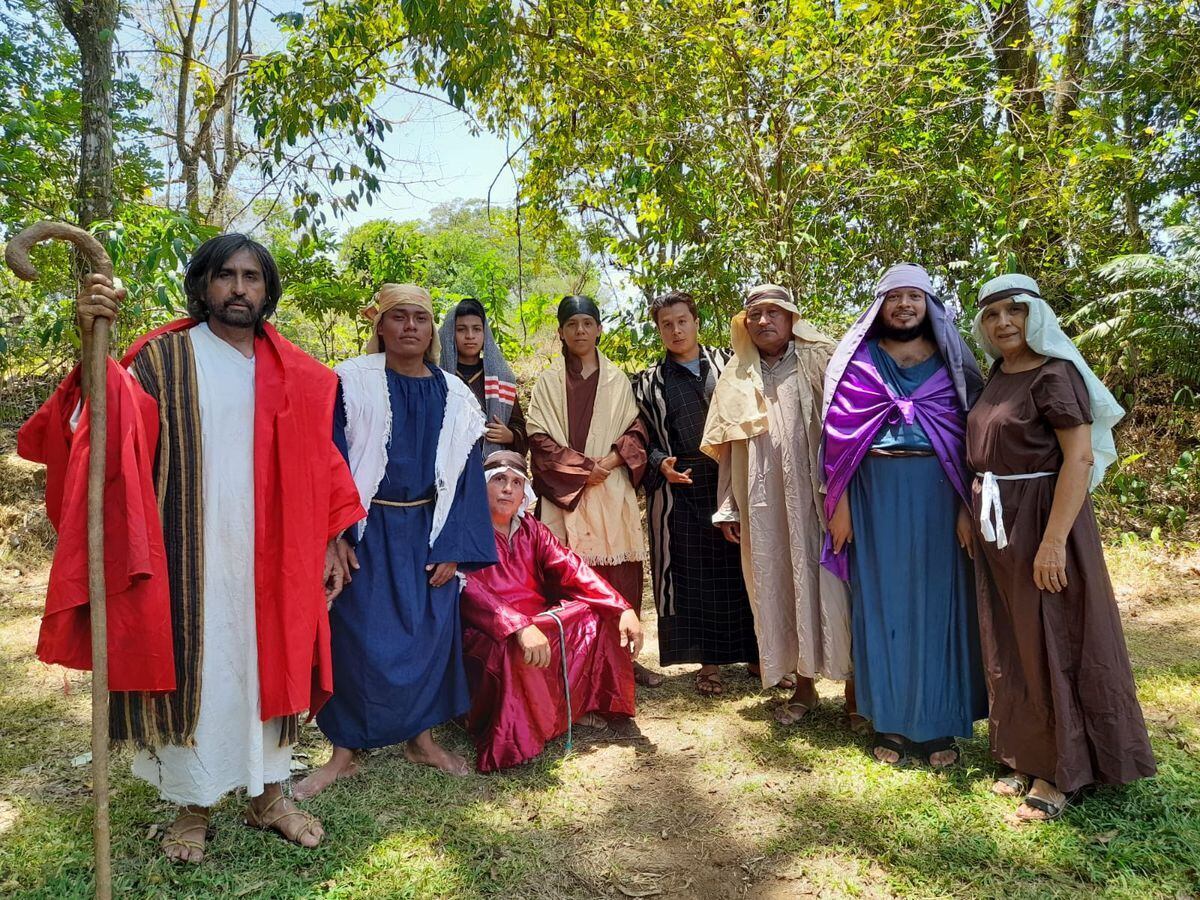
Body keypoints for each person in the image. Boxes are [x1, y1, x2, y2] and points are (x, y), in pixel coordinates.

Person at [18, 234, 365, 863]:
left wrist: (332, 537)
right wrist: (92, 340)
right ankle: (193, 805)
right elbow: (107, 422)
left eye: (252, 277)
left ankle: (269, 795)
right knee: (198, 669)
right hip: (187, 547)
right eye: (226, 275)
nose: (239, 288)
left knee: (267, 666)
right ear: (204, 285)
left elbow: (322, 462)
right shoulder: (162, 357)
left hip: (275, 554)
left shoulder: (298, 374)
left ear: (267, 290)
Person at [295, 283, 497, 796]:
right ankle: (344, 753)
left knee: (429, 634)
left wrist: (454, 547)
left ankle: (420, 740)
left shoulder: (455, 394)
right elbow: (328, 457)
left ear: (432, 331)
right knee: (355, 635)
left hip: (429, 529)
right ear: (380, 326)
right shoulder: (350, 381)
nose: (410, 326)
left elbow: (467, 474)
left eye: (420, 318)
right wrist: (335, 534)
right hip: (365, 529)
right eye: (398, 317)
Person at [968, 273, 1155, 822]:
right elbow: (983, 452)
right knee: (1012, 639)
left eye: (1014, 310)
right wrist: (967, 511)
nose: (1003, 322)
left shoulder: (1054, 374)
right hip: (999, 526)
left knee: (1054, 637)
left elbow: (1080, 457)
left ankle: (1060, 770)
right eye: (991, 314)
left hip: (1044, 522)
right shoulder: (997, 375)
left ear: (1036, 315)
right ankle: (1023, 752)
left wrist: (1052, 542)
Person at [821, 263, 987, 766]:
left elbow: (973, 438)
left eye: (914, 296)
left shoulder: (953, 362)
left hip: (941, 493)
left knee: (941, 604)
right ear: (880, 306)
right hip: (873, 494)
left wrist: (966, 506)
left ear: (929, 304)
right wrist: (840, 506)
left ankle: (939, 726)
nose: (904, 305)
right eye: (895, 297)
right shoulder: (858, 362)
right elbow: (836, 439)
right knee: (881, 602)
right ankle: (889, 723)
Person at [700, 284, 852, 724]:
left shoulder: (822, 359)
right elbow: (727, 447)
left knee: (837, 587)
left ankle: (855, 692)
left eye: (774, 312)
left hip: (822, 499)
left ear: (791, 318)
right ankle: (803, 688)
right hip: (763, 502)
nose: (764, 321)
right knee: (779, 586)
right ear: (744, 323)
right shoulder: (735, 375)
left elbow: (852, 425)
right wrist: (728, 504)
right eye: (755, 314)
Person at [460, 451, 643, 771]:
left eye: (516, 482)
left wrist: (621, 606)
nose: (508, 489)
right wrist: (517, 626)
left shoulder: (531, 528)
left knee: (595, 616)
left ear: (523, 495)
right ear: (481, 486)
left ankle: (573, 708)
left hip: (537, 622)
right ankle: (519, 734)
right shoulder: (464, 531)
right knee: (512, 648)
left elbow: (572, 568)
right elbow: (469, 591)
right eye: (499, 479)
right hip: (487, 631)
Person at [526, 295, 659, 687]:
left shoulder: (618, 380)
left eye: (587, 323)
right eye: (572, 324)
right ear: (561, 332)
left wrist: (611, 462)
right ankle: (575, 667)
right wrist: (585, 469)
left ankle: (624, 662)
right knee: (568, 577)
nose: (580, 331)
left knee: (619, 577)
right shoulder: (549, 382)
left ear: (599, 329)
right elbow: (539, 439)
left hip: (610, 489)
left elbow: (637, 431)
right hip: (567, 494)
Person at [633, 290, 758, 696]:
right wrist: (659, 463)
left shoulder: (731, 364)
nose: (676, 330)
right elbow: (638, 436)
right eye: (666, 324)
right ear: (658, 330)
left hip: (733, 480)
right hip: (682, 489)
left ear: (696, 321)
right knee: (695, 576)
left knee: (744, 568)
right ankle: (709, 664)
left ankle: (758, 654)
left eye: (682, 320)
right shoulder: (648, 383)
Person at [438, 297, 528, 457]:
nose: (470, 336)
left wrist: (510, 436)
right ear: (450, 333)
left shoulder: (500, 378)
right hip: (446, 462)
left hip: (491, 464)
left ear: (485, 333)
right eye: (461, 329)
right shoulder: (438, 376)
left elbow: (519, 427)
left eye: (477, 329)